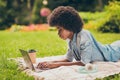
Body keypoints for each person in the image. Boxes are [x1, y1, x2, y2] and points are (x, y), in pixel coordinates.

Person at [37, 6, 120, 69]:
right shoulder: (70, 39)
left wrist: (56, 65)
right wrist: (49, 62)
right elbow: (68, 59)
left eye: (60, 29)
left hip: (113, 53)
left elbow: (84, 63)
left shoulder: (84, 36)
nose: (58, 33)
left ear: (69, 26)